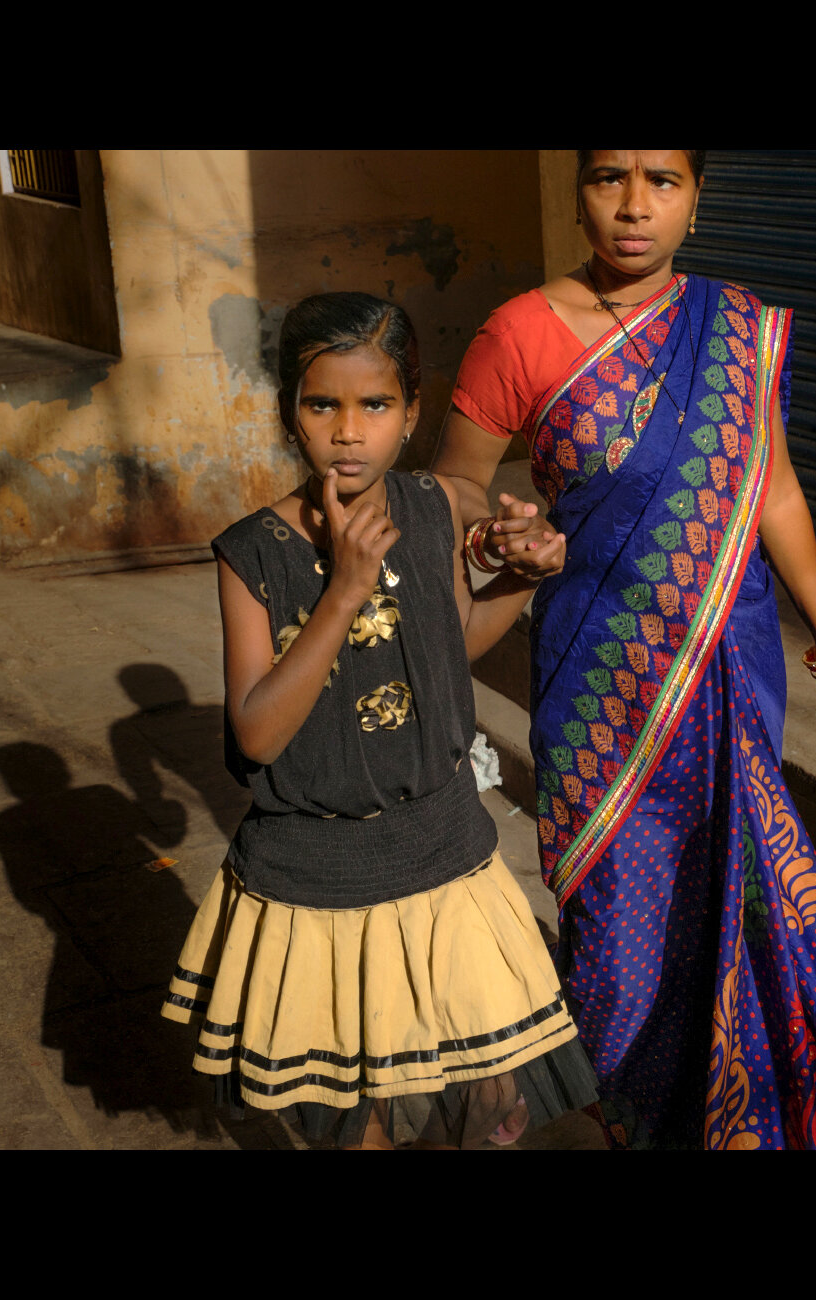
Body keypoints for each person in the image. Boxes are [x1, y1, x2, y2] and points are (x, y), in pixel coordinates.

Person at [431, 151, 816, 1149]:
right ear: (578, 191)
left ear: (698, 200)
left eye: (663, 179)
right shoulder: (517, 330)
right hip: (601, 691)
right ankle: (638, 1126)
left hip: (731, 672)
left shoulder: (736, 325)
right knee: (617, 946)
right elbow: (452, 487)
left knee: (740, 909)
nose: (635, 204)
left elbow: (774, 489)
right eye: (611, 176)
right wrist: (494, 539)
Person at [161, 291, 600, 1149]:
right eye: (323, 404)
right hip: (319, 879)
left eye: (376, 405)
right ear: (291, 411)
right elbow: (254, 734)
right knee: (361, 1116)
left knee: (476, 1100)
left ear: (411, 414)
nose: (349, 431)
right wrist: (345, 588)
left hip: (442, 860)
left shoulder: (434, 508)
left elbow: (451, 645)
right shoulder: (253, 552)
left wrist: (521, 578)